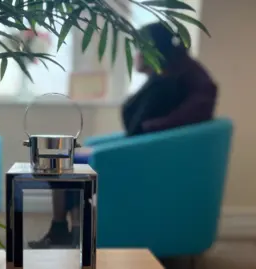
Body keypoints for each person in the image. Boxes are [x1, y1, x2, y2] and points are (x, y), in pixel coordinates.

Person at [28, 21, 218, 249]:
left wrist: (146, 132)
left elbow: (173, 122)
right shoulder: (168, 74)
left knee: (64, 162)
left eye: (140, 49)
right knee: (65, 160)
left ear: (154, 49)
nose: (136, 55)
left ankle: (66, 234)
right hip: (138, 151)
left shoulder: (181, 78)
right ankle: (69, 233)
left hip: (146, 159)